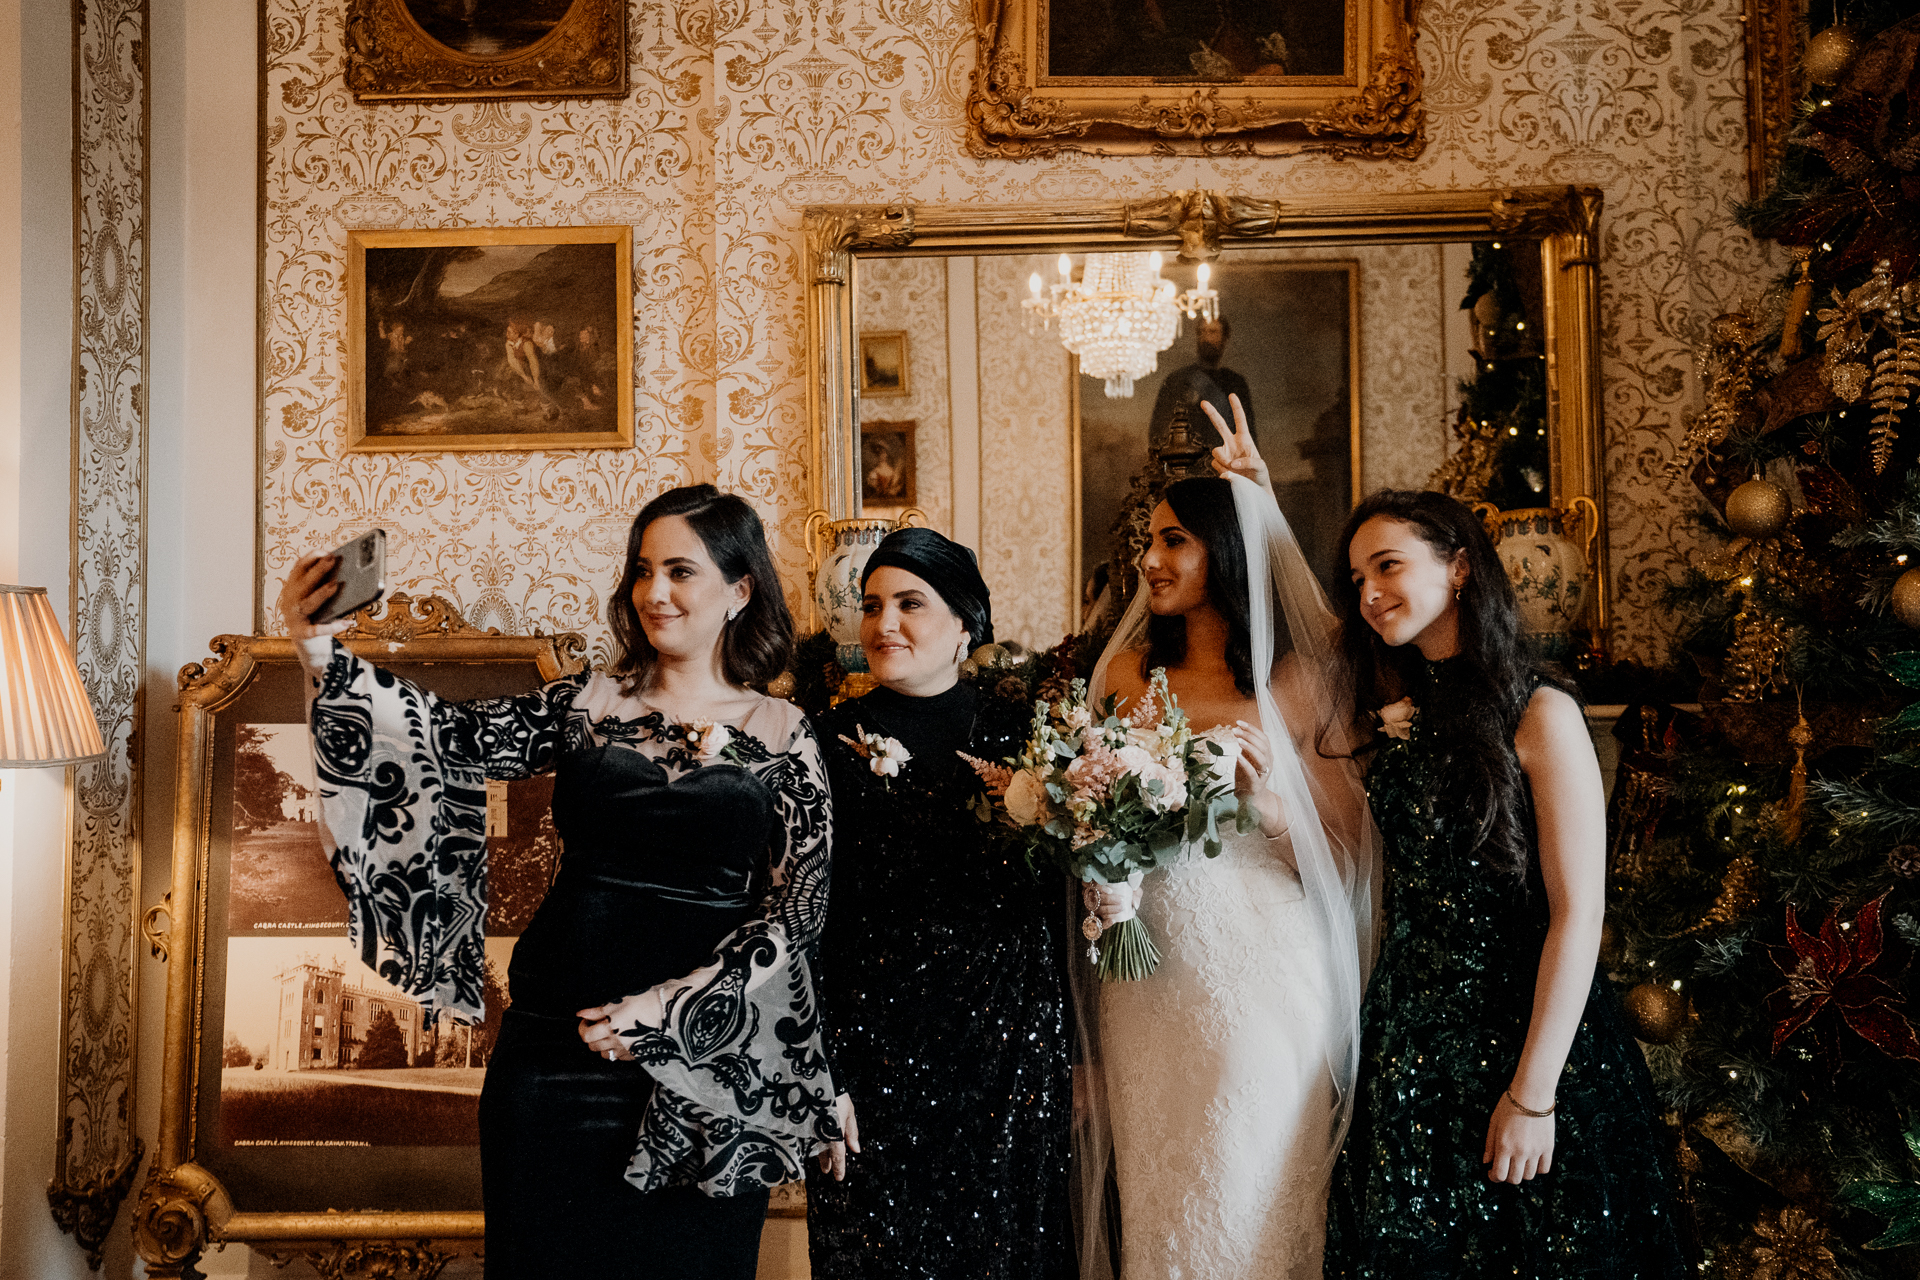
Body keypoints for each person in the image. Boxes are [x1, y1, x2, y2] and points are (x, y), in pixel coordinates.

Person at [276, 484, 841, 1280]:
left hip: (703, 1068)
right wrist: (319, 652)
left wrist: (667, 1009)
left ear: (739, 590)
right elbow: (444, 740)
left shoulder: (786, 734)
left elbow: (800, 910)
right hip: (550, 1059)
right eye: (643, 571)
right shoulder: (585, 706)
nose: (654, 593)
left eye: (681, 571)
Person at [1320, 488, 1688, 1277]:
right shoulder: (1401, 711)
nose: (1369, 594)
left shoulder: (1540, 707)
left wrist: (1533, 1095)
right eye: (1356, 581)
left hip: (1522, 1042)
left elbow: (1578, 913)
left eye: (1387, 567)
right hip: (1408, 1047)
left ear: (1458, 568)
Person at [1079, 452, 1381, 1275]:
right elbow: (1090, 815)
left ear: (1227, 552)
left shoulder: (1300, 679)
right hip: (1147, 974)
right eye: (1150, 541)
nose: (1150, 561)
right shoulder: (1123, 676)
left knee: (1248, 1180)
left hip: (1262, 965)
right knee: (1160, 1189)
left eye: (1174, 541)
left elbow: (1349, 850)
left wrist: (1264, 805)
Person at [806, 527, 1075, 1280]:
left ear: (966, 624)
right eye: (871, 604)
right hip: (872, 1041)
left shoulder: (1028, 737)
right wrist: (818, 1071)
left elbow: (1060, 899)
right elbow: (805, 920)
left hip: (1008, 1041)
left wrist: (1078, 1060)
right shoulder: (824, 741)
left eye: (910, 604)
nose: (884, 623)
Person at [1148, 317, 1256, 452]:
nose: (1206, 338)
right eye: (1202, 332)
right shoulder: (1177, 380)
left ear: (1225, 338)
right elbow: (1158, 431)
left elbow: (1247, 435)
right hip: (1186, 463)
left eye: (1212, 332)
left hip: (1224, 463)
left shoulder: (1236, 383)